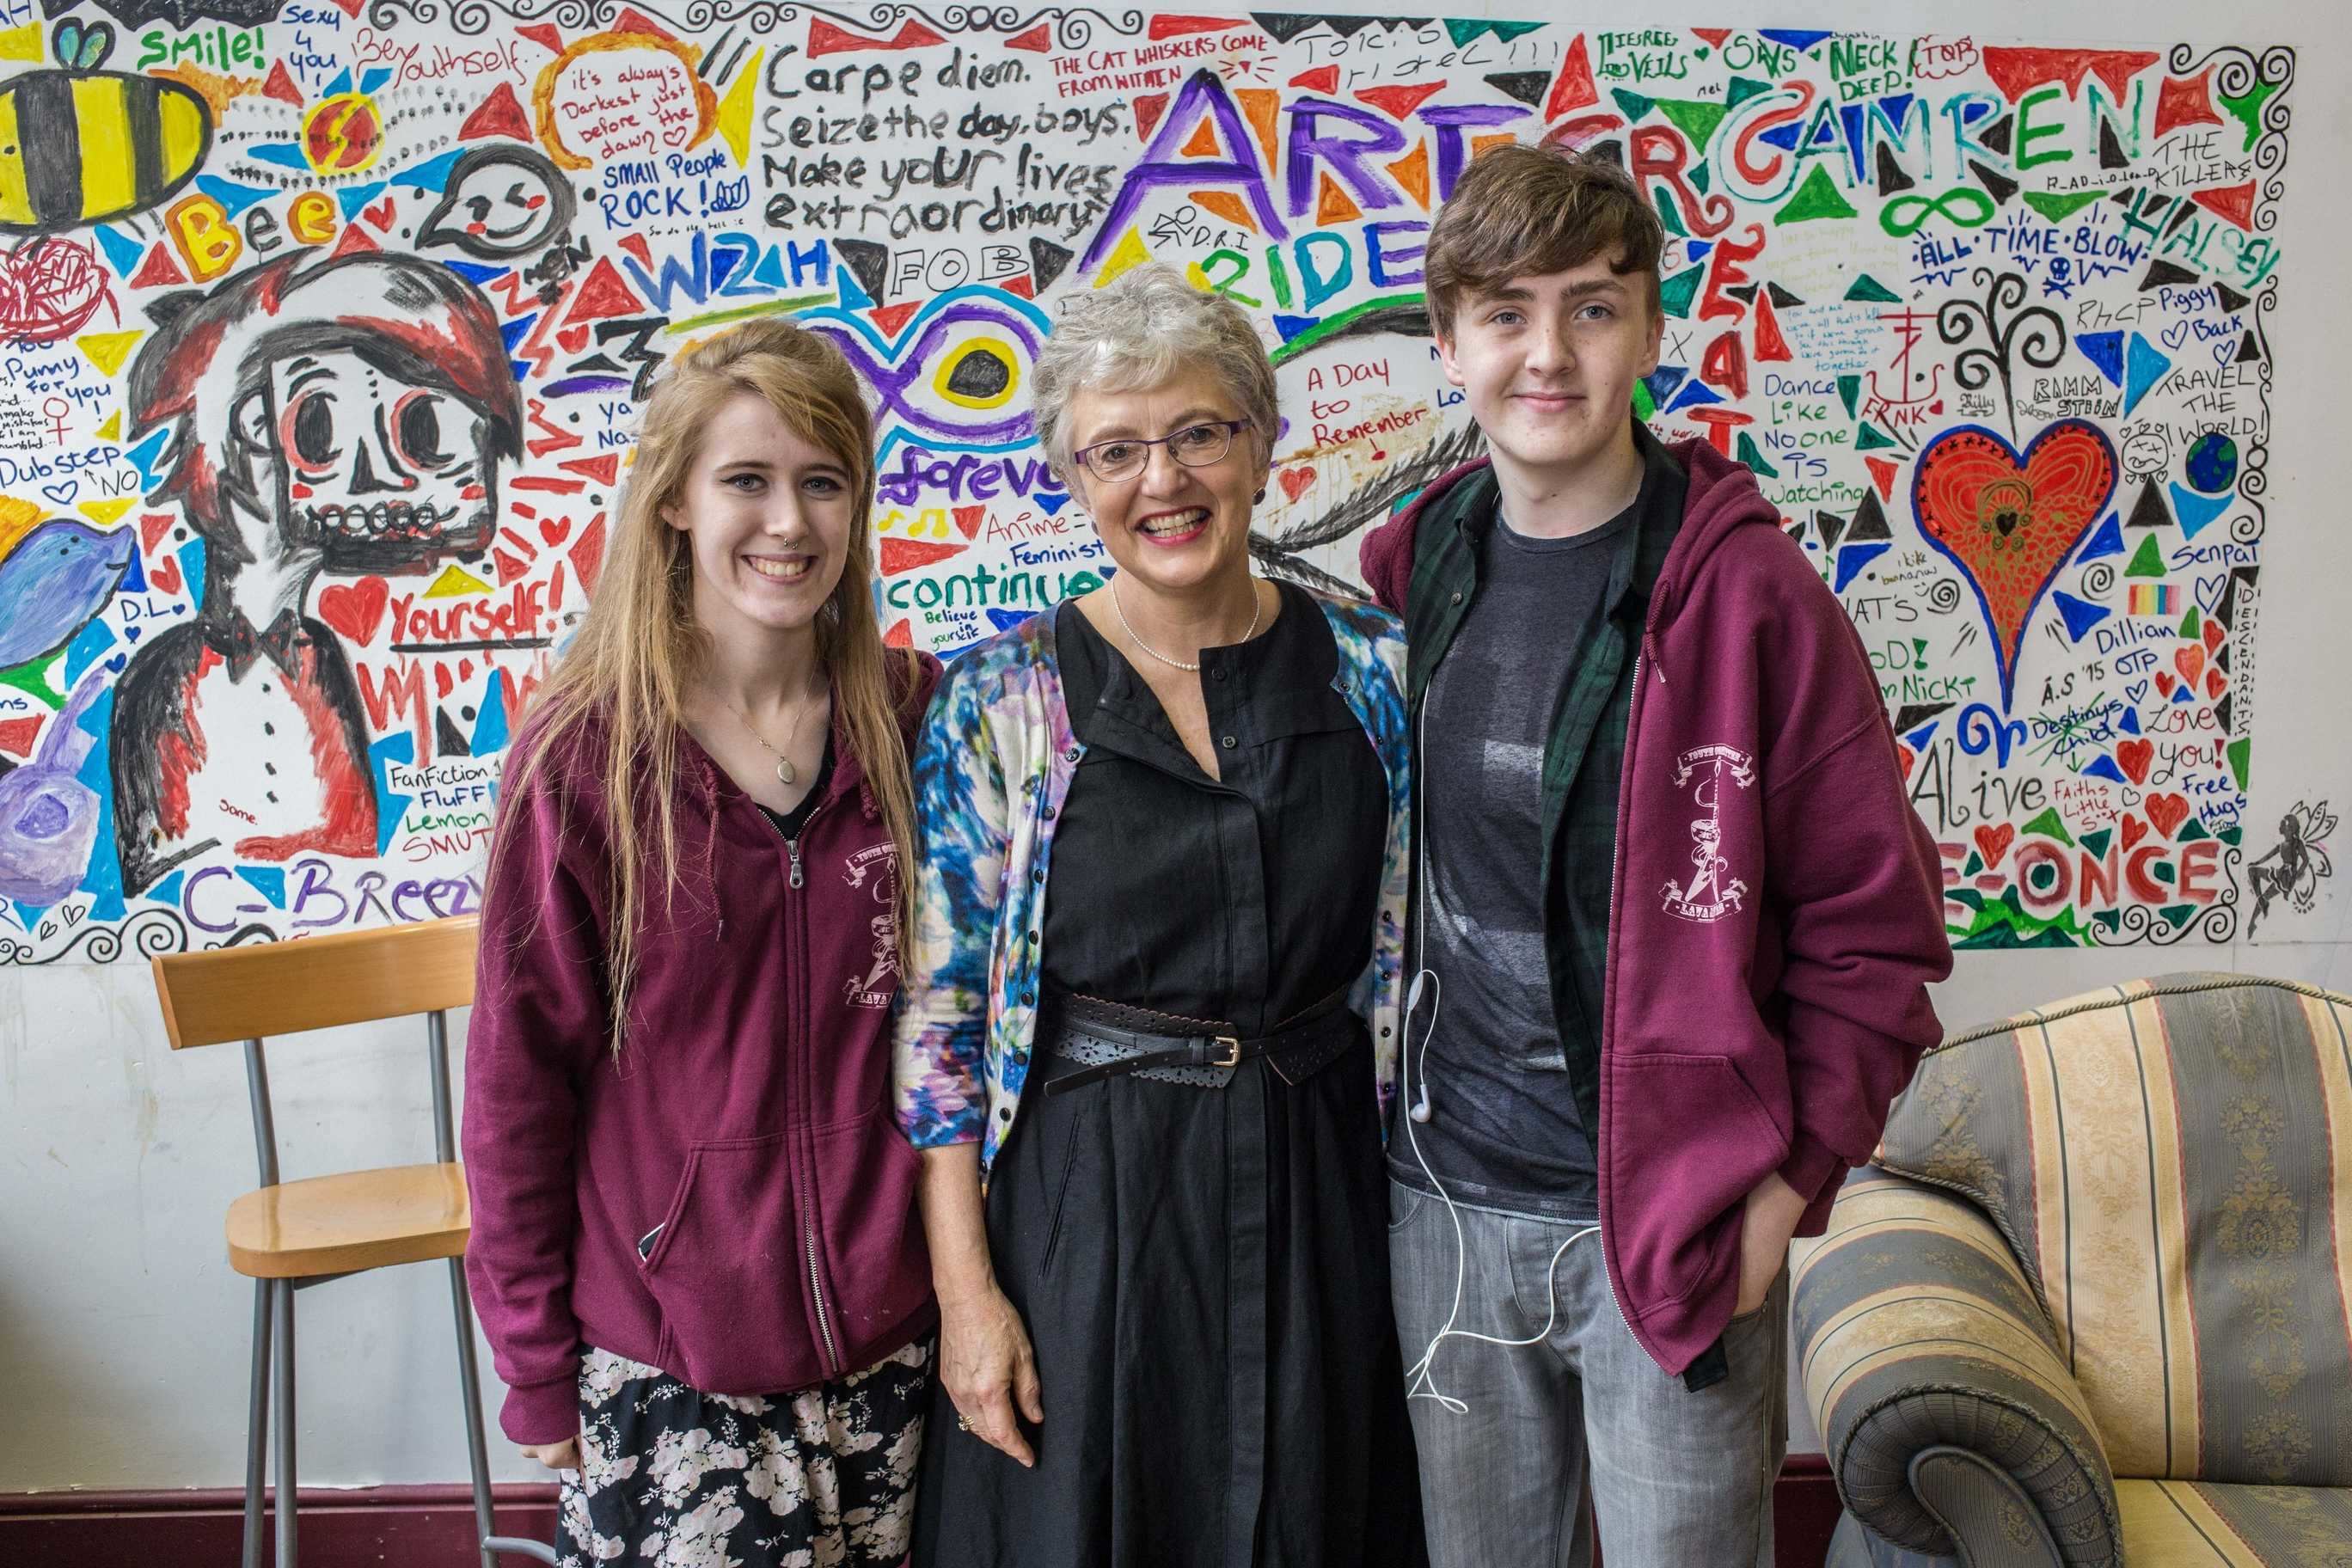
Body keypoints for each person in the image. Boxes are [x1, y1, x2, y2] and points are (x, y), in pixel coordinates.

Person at [1357, 144, 1953, 1566]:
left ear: (1648, 328)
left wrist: (1791, 1183)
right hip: (1445, 1207)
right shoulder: (1414, 564)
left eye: (1592, 307)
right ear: (1449, 345)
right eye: (1504, 314)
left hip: (1678, 1227)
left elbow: (1876, 935)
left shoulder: (1753, 597)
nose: (1547, 354)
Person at [896, 262, 1426, 1568]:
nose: (1163, 480)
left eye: (1198, 433)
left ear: (1260, 442)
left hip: (1323, 1203)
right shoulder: (1004, 702)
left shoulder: (1377, 671)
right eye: (1115, 450)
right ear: (1074, 481)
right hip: (1087, 1219)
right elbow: (942, 1027)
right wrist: (968, 1301)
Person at [462, 319, 941, 1566]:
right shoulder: (583, 761)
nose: (789, 522)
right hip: (674, 1368)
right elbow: (517, 1084)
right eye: (748, 480)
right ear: (674, 499)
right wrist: (530, 1367)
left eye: (823, 482)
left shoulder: (909, 721)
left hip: (900, 1348)